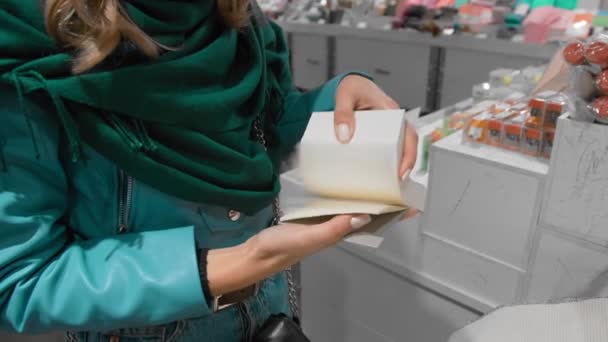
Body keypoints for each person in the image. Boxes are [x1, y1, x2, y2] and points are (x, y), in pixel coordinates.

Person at [0, 1, 417, 341]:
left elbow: (262, 126)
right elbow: (22, 281)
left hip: (271, 314)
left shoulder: (235, 19)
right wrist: (233, 263)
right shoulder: (28, 48)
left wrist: (338, 101)